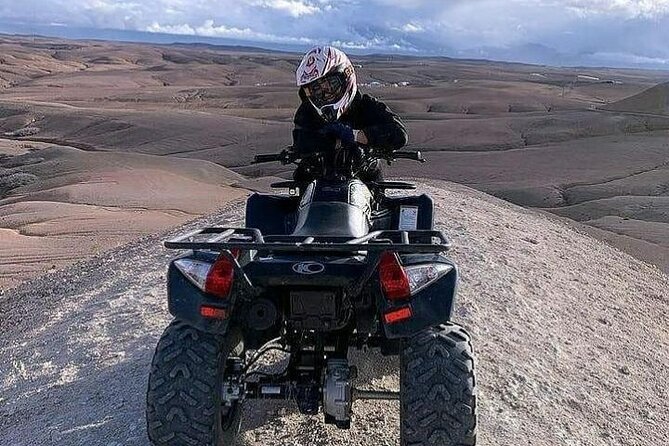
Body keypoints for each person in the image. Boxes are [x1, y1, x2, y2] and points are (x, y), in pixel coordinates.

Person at [292, 45, 408, 183]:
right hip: (317, 182)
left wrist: (357, 136)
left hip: (364, 180)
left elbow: (399, 135)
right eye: (317, 90)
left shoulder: (366, 106)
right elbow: (301, 142)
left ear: (346, 76)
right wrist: (328, 143)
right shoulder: (307, 112)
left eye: (331, 86)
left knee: (384, 196)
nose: (325, 94)